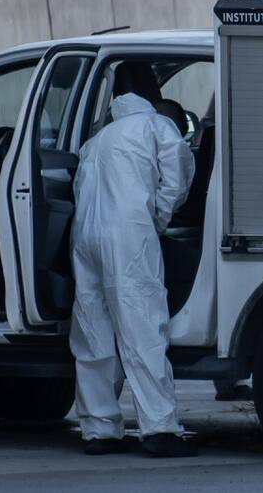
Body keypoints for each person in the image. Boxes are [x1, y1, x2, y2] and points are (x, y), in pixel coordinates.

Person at [69, 92, 197, 457]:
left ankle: (99, 430)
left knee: (93, 334)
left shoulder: (97, 139)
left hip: (86, 236)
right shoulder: (155, 125)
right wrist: (159, 218)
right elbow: (177, 173)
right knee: (142, 330)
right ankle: (159, 429)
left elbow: (79, 188)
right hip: (128, 235)